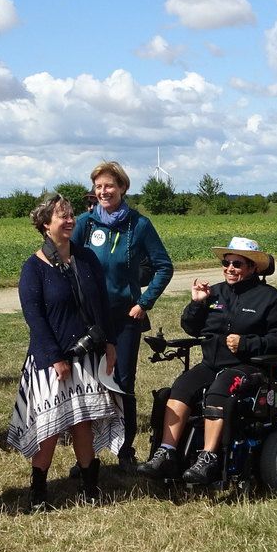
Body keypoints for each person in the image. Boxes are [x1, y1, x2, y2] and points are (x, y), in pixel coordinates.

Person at [136, 237, 277, 484]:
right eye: (227, 263)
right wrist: (197, 303)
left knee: (220, 391)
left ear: (253, 268)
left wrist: (246, 343)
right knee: (181, 387)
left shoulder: (272, 300)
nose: (230, 268)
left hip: (250, 366)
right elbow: (190, 327)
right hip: (212, 363)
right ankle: (166, 452)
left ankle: (208, 458)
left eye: (238, 264)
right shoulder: (215, 292)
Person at [8, 194, 123, 509]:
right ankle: (39, 491)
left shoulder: (86, 259)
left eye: (72, 214)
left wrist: (110, 344)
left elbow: (102, 306)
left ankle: (90, 487)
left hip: (87, 356)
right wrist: (55, 358)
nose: (70, 220)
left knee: (82, 422)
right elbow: (35, 318)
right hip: (51, 358)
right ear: (46, 224)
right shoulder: (33, 267)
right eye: (62, 215)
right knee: (48, 426)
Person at [72, 161, 174, 468]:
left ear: (123, 188)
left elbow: (163, 266)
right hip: (89, 318)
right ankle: (87, 456)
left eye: (109, 186)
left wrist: (143, 302)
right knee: (89, 383)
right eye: (98, 187)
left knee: (122, 383)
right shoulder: (85, 224)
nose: (103, 192)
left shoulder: (138, 225)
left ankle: (125, 450)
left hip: (125, 317)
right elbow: (66, 261)